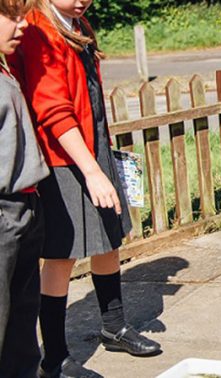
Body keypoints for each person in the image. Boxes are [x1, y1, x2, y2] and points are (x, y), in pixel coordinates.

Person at [12, 0, 164, 375]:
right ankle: (55, 357)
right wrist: (91, 171)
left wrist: (101, 162)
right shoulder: (38, 30)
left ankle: (114, 326)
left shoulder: (77, 22)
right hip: (64, 158)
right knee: (62, 256)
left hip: (93, 148)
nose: (83, 0)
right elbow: (52, 110)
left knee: (109, 239)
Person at [0, 0, 49, 376]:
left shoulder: (5, 67)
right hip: (4, 212)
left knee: (21, 321)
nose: (22, 26)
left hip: (25, 208)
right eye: (11, 17)